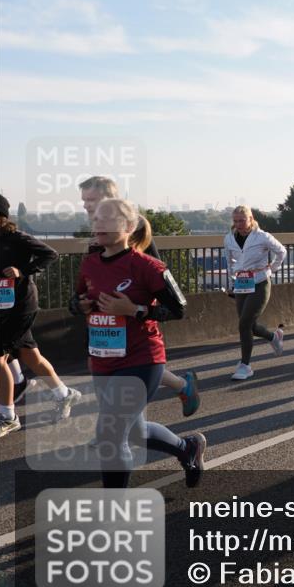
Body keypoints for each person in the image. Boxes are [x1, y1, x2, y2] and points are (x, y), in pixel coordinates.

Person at [70, 198, 205, 488]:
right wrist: (80, 305)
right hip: (104, 359)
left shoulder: (148, 266)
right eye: (96, 219)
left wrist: (136, 310)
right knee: (132, 431)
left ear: (129, 227)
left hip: (141, 358)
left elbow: (179, 309)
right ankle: (187, 448)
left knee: (110, 433)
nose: (100, 224)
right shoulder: (90, 264)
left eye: (109, 219)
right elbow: (77, 301)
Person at [79, 177, 200, 416]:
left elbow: (156, 269)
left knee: (132, 371)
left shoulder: (133, 227)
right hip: (103, 322)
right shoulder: (98, 231)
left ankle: (181, 387)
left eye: (90, 200)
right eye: (84, 200)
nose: (85, 205)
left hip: (134, 321)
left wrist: (135, 308)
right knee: (97, 364)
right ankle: (114, 426)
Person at [0, 194, 80, 437]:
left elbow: (51, 254)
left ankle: (7, 415)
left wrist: (22, 271)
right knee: (31, 356)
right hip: (1, 307)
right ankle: (64, 394)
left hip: (22, 305)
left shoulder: (17, 238)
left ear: (0, 216)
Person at [224, 205, 287, 380]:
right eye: (235, 221)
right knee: (249, 325)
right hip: (242, 284)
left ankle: (245, 366)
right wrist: (232, 282)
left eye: (242, 220)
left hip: (260, 283)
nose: (238, 224)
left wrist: (272, 268)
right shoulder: (229, 238)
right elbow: (229, 262)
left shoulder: (262, 237)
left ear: (251, 219)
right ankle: (273, 337)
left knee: (244, 324)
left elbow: (281, 251)